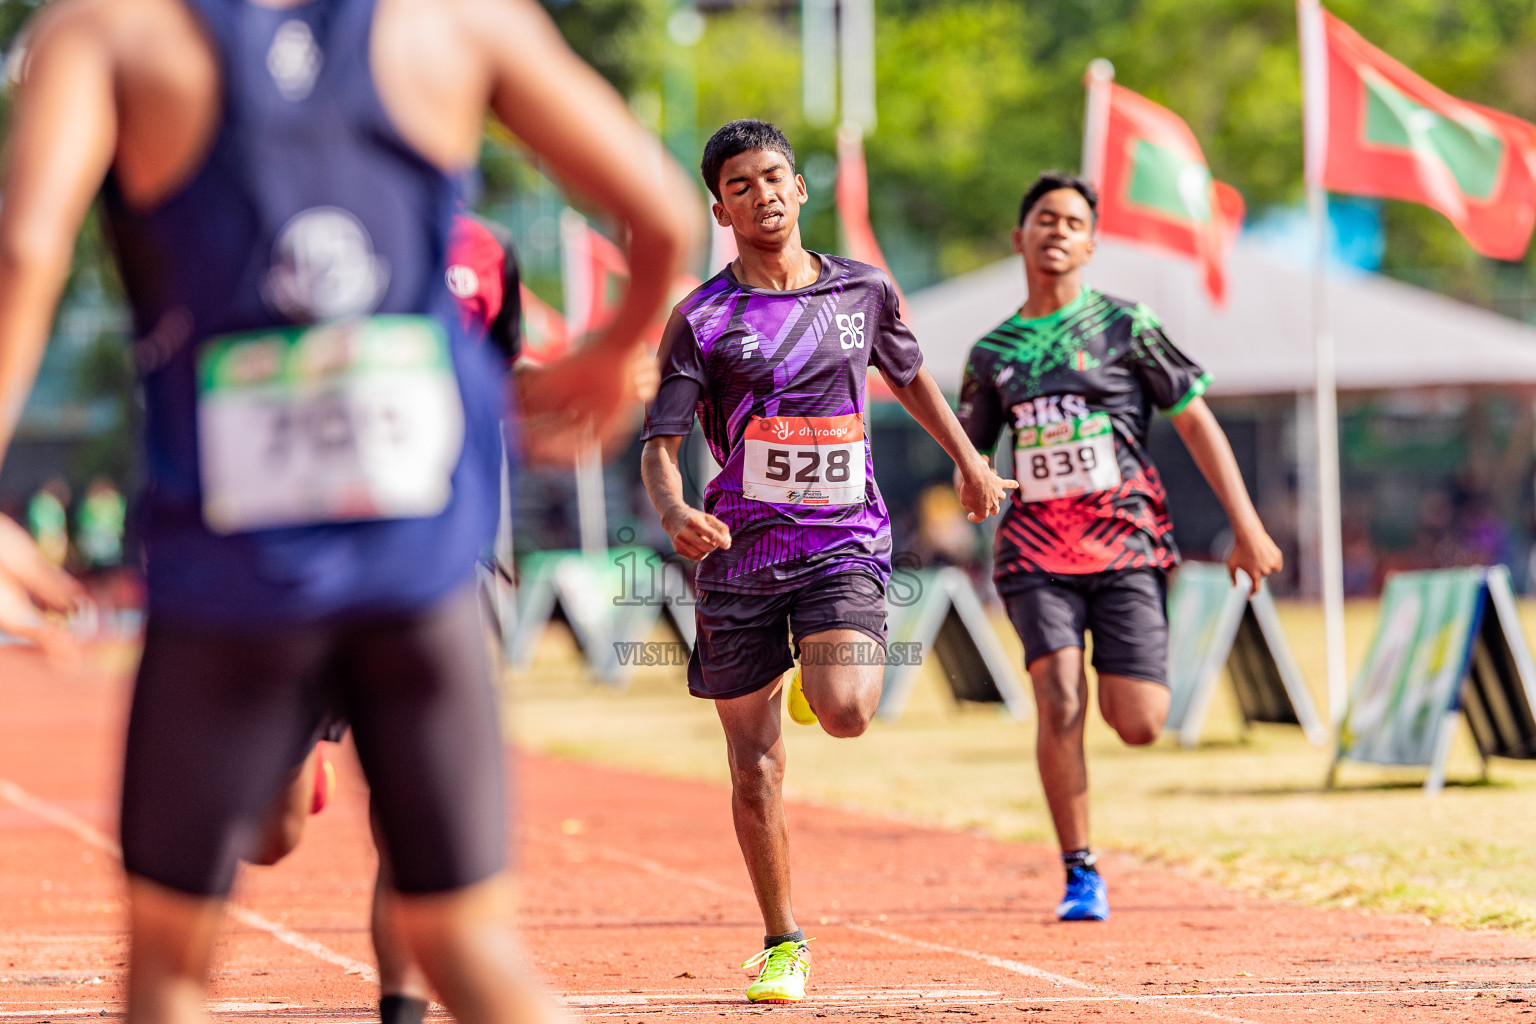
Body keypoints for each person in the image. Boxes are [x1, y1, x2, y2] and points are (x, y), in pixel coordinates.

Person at [0, 2, 696, 1023]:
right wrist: (608, 356)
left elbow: (24, 248)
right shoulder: (459, 21)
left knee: (168, 971)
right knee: (470, 947)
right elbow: (667, 212)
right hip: (418, 570)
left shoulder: (107, 30)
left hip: (228, 573)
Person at [639, 119, 1014, 1005]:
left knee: (844, 713)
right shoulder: (702, 318)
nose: (762, 193)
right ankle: (783, 941)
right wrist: (671, 508)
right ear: (720, 207)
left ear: (800, 189)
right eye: (740, 184)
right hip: (739, 549)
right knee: (753, 759)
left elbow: (912, 376)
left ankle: (820, 668)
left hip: (842, 537)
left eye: (775, 176)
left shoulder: (862, 292)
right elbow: (659, 441)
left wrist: (967, 458)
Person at [956, 171, 1283, 922]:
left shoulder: (1128, 327)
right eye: (1044, 218)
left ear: (1092, 244)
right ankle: (1080, 869)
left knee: (1137, 722)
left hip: (1127, 544)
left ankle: (1128, 713)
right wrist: (975, 481)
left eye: (1073, 222)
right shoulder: (993, 351)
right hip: (1035, 552)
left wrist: (1247, 524)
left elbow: (1197, 422)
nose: (1057, 231)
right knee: (1059, 696)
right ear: (1020, 237)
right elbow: (969, 452)